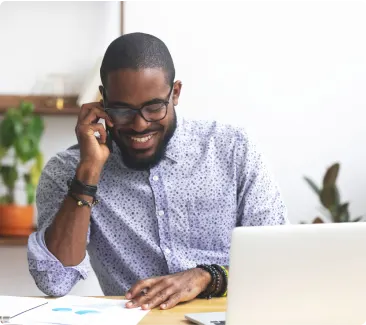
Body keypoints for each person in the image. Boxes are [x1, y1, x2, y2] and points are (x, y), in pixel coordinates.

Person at [27, 32, 288, 310]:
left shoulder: (234, 151)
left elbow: (279, 261)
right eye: (122, 110)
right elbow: (54, 281)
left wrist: (206, 277)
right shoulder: (69, 170)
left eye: (153, 108)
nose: (139, 125)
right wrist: (89, 173)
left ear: (175, 93)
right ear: (102, 101)